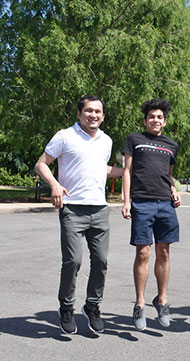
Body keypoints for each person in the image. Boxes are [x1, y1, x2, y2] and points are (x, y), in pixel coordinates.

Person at [34, 95, 123, 334]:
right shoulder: (65, 136)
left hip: (100, 209)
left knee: (102, 261)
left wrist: (128, 171)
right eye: (89, 111)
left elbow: (100, 168)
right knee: (73, 261)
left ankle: (92, 306)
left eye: (98, 112)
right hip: (72, 208)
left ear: (103, 116)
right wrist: (54, 184)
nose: (93, 115)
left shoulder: (106, 140)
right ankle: (66, 308)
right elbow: (41, 164)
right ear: (79, 113)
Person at [121, 99, 181, 331]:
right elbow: (127, 171)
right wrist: (127, 201)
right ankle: (140, 304)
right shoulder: (134, 140)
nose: (156, 120)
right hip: (142, 203)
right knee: (143, 253)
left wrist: (174, 190)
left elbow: (168, 175)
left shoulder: (171, 144)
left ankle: (162, 301)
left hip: (165, 205)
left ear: (164, 122)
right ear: (145, 120)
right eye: (152, 117)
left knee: (163, 253)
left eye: (160, 117)